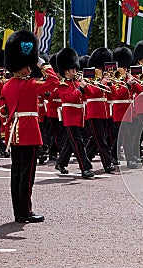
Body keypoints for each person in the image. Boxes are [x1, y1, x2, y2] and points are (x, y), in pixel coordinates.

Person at [2, 30, 59, 223]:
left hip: (14, 133)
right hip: (28, 131)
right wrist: (41, 62)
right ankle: (25, 212)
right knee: (27, 175)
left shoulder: (7, 85)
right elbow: (54, 82)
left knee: (17, 174)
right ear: (23, 66)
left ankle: (18, 211)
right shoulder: (30, 85)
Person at [54, 47, 94, 178]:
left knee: (70, 143)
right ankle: (85, 168)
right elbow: (70, 97)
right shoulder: (62, 85)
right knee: (78, 143)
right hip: (70, 117)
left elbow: (90, 94)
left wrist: (87, 86)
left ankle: (61, 162)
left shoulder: (77, 82)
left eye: (75, 69)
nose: (75, 71)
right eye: (72, 69)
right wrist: (81, 89)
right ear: (65, 71)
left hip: (80, 116)